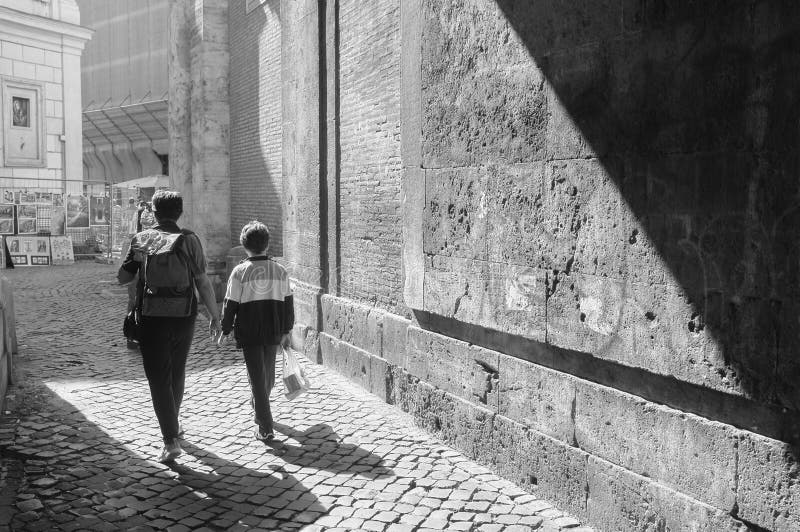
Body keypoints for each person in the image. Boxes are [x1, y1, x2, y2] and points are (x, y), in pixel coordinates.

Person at [117, 190, 221, 463]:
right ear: (180, 212)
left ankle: (170, 439)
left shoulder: (143, 238)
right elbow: (202, 281)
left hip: (152, 317)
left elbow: (122, 278)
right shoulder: (190, 239)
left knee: (158, 377)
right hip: (184, 314)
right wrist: (214, 315)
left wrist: (135, 260)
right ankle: (173, 424)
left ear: (152, 210)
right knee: (177, 370)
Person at [219, 221, 294, 442]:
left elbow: (230, 303)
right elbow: (288, 303)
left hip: (250, 331)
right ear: (267, 244)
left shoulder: (240, 271)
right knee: (266, 374)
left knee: (258, 377)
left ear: (244, 246)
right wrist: (287, 329)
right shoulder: (280, 270)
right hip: (273, 330)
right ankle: (261, 406)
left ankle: (265, 426)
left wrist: (226, 328)